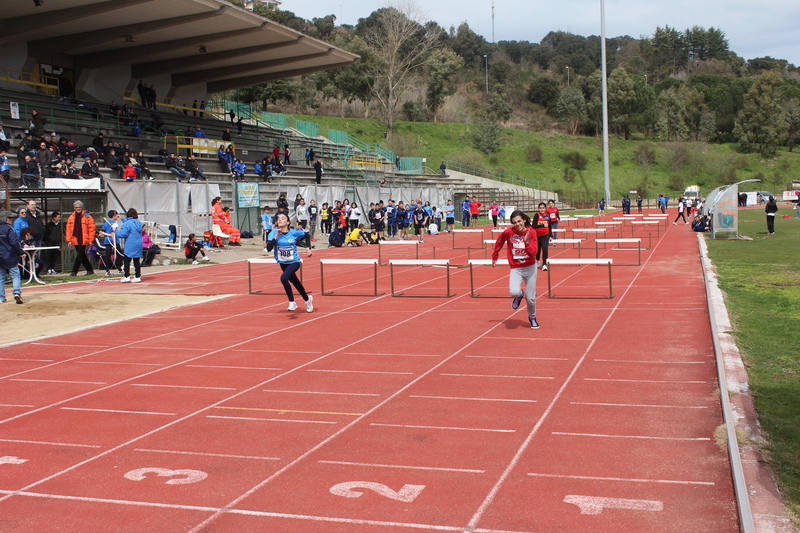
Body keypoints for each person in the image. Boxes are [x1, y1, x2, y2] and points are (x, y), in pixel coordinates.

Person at [491, 210, 540, 329]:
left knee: (531, 298)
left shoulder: (531, 232)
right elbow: (499, 241)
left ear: (524, 220)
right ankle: (519, 295)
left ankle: (532, 317)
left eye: (519, 221)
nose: (517, 224)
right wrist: (495, 255)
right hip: (516, 268)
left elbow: (534, 252)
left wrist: (526, 243)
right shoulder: (509, 232)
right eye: (514, 222)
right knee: (513, 292)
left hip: (530, 267)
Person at [267, 212, 313, 312]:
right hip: (283, 262)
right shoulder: (274, 232)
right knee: (295, 282)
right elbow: (268, 248)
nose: (279, 220)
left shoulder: (294, 233)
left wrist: (307, 248)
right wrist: (276, 236)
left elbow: (307, 235)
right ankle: (307, 299)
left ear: (288, 222)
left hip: (294, 261)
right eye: (278, 218)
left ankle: (292, 302)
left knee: (283, 278)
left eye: (282, 218)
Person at [65, 200, 96, 276]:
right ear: (74, 208)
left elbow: (92, 229)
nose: (78, 208)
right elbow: (68, 230)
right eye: (76, 207)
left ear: (82, 207)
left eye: (79, 207)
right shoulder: (71, 217)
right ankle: (90, 269)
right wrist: (69, 240)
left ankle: (74, 271)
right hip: (75, 238)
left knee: (79, 255)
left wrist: (90, 240)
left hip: (84, 239)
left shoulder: (87, 216)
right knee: (82, 255)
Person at [0, 210, 24, 304]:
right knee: (15, 274)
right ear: (6, 219)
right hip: (9, 255)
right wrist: (20, 252)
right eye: (10, 218)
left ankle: (1, 298)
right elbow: (14, 242)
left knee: (1, 277)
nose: (11, 220)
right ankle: (17, 292)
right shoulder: (9, 228)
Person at [115, 208, 143, 282]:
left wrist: (116, 231)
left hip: (130, 243)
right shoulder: (138, 222)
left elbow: (123, 234)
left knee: (127, 260)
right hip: (138, 243)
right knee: (136, 260)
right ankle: (137, 276)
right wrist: (122, 219)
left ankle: (126, 276)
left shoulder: (127, 223)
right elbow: (131, 223)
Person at [98, 210, 123, 275]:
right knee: (109, 255)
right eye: (116, 215)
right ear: (113, 216)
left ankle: (118, 269)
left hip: (115, 240)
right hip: (109, 241)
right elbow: (102, 232)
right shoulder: (108, 223)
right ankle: (108, 270)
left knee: (117, 255)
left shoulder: (114, 222)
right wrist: (109, 235)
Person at [532, 202, 551, 271]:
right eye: (540, 208)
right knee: (537, 250)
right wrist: (542, 225)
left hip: (545, 235)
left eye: (543, 208)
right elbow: (533, 226)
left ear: (545, 208)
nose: (542, 209)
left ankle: (544, 264)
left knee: (545, 249)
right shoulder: (537, 215)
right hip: (537, 235)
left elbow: (550, 226)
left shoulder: (548, 216)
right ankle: (537, 261)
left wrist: (550, 235)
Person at [42, 211, 62, 275]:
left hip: (57, 243)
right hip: (50, 243)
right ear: (54, 217)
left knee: (54, 256)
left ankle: (52, 268)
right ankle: (48, 269)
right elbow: (46, 234)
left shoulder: (59, 225)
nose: (59, 218)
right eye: (58, 217)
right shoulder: (49, 225)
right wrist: (50, 238)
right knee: (49, 256)